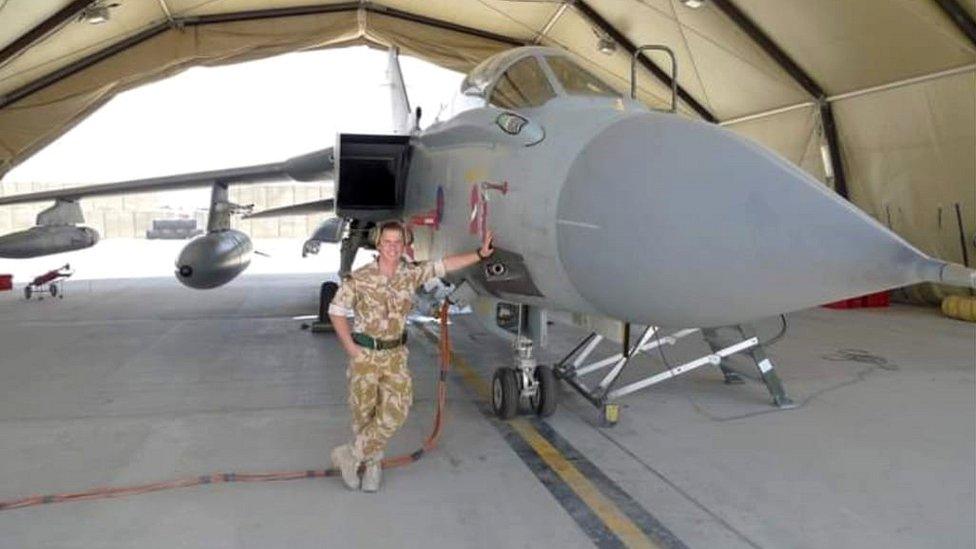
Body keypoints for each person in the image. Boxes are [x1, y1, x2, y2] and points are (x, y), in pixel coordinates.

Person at [328, 220, 494, 492]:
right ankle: (371, 466)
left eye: (398, 242)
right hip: (365, 355)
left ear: (404, 245)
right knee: (364, 414)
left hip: (395, 355)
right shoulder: (359, 278)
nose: (393, 247)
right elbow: (336, 311)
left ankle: (351, 455)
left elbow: (445, 265)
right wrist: (351, 349)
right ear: (379, 244)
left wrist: (479, 255)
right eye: (388, 242)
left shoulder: (411, 273)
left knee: (397, 410)